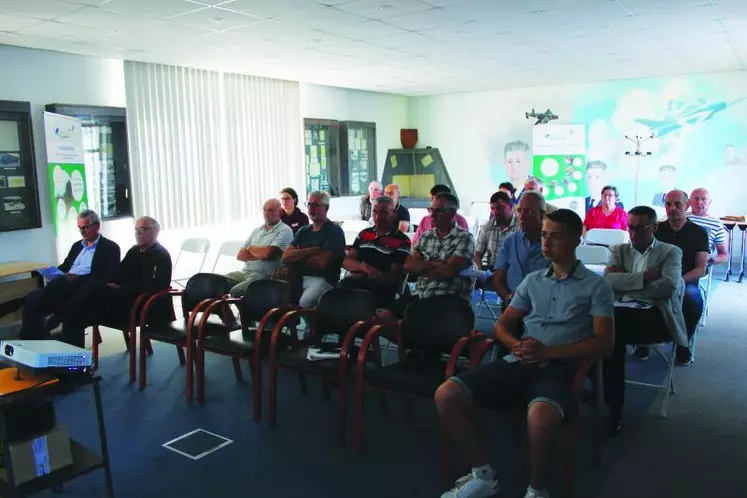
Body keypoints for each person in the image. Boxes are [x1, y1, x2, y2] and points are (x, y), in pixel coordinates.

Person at [435, 209, 614, 498]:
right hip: (521, 359)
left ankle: (537, 490)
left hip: (562, 366)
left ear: (575, 240)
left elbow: (604, 344)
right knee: (447, 395)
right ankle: (483, 475)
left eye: (555, 236)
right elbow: (502, 326)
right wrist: (516, 345)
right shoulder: (532, 281)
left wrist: (549, 351)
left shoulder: (597, 286)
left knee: (540, 417)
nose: (546, 243)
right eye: (544, 235)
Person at [602, 205, 686, 435]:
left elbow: (668, 287)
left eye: (641, 227)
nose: (634, 233)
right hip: (621, 316)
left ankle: (611, 405)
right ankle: (614, 405)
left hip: (656, 318)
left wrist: (625, 281)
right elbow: (608, 282)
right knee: (609, 333)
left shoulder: (671, 252)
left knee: (609, 333)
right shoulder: (619, 249)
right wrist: (644, 279)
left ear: (654, 227)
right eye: (630, 227)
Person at [59, 216, 172, 348]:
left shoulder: (161, 255)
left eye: (143, 229)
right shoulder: (134, 251)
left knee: (89, 294)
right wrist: (110, 282)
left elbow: (156, 286)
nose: (138, 233)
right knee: (76, 314)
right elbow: (119, 273)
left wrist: (121, 287)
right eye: (136, 230)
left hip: (140, 305)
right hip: (121, 300)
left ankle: (61, 317)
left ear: (155, 231)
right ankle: (72, 362)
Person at [20, 210, 121, 340]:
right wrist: (52, 272)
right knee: (31, 301)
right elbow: (66, 266)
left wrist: (79, 278)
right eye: (80, 228)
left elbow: (106, 276)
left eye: (85, 227)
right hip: (64, 285)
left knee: (64, 302)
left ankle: (54, 319)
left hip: (85, 288)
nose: (82, 232)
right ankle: (34, 341)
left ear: (97, 226)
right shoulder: (77, 246)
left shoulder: (110, 247)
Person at [653, 189, 708, 365]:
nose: (672, 208)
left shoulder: (699, 232)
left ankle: (683, 342)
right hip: (657, 279)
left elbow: (700, 269)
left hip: (686, 281)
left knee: (693, 301)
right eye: (668, 204)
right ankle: (644, 340)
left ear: (687, 206)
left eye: (677, 204)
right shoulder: (656, 229)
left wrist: (678, 281)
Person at [398, 193, 474, 314]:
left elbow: (448, 272)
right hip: (420, 294)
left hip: (449, 298)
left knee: (412, 317)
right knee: (385, 315)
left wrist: (421, 267)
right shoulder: (426, 236)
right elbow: (407, 266)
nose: (432, 215)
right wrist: (436, 263)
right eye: (431, 210)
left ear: (452, 213)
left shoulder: (464, 238)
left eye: (438, 211)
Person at [341, 195, 411, 310]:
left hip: (381, 289)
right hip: (357, 283)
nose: (378, 217)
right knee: (335, 293)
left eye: (383, 212)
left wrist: (369, 274)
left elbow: (394, 277)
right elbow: (346, 261)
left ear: (393, 214)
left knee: (350, 297)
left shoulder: (401, 240)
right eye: (375, 212)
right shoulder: (364, 234)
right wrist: (364, 268)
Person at [281, 191, 346, 308]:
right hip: (298, 278)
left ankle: (313, 326)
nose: (311, 208)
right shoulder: (304, 230)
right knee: (277, 299)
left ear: (326, 208)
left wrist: (297, 256)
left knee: (305, 302)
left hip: (323, 280)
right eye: (309, 204)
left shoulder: (334, 231)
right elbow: (285, 257)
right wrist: (312, 250)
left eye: (316, 205)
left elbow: (322, 263)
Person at [224, 199, 293, 298]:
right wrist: (260, 253)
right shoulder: (257, 231)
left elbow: (268, 254)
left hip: (265, 275)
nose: (267, 214)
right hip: (245, 272)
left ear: (280, 212)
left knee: (236, 291)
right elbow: (240, 255)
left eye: (271, 210)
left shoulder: (285, 231)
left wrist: (250, 248)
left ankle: (246, 313)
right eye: (265, 210)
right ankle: (225, 313)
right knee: (217, 282)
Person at [492, 192, 550, 308]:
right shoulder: (511, 241)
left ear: (542, 215)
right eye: (519, 211)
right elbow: (497, 279)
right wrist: (509, 298)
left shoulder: (551, 244)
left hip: (543, 308)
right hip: (511, 304)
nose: (521, 217)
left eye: (528, 212)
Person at [474, 190, 518, 269]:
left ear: (510, 206)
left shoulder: (521, 227)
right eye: (492, 208)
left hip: (514, 270)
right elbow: (477, 254)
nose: (495, 212)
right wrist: (480, 271)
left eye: (500, 208)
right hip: (492, 270)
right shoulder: (487, 227)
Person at [688, 188, 728, 264]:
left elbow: (724, 254)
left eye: (704, 199)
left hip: (700, 266)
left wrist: (710, 260)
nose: (699, 202)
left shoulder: (716, 223)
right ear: (689, 202)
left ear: (710, 202)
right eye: (696, 199)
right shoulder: (681, 217)